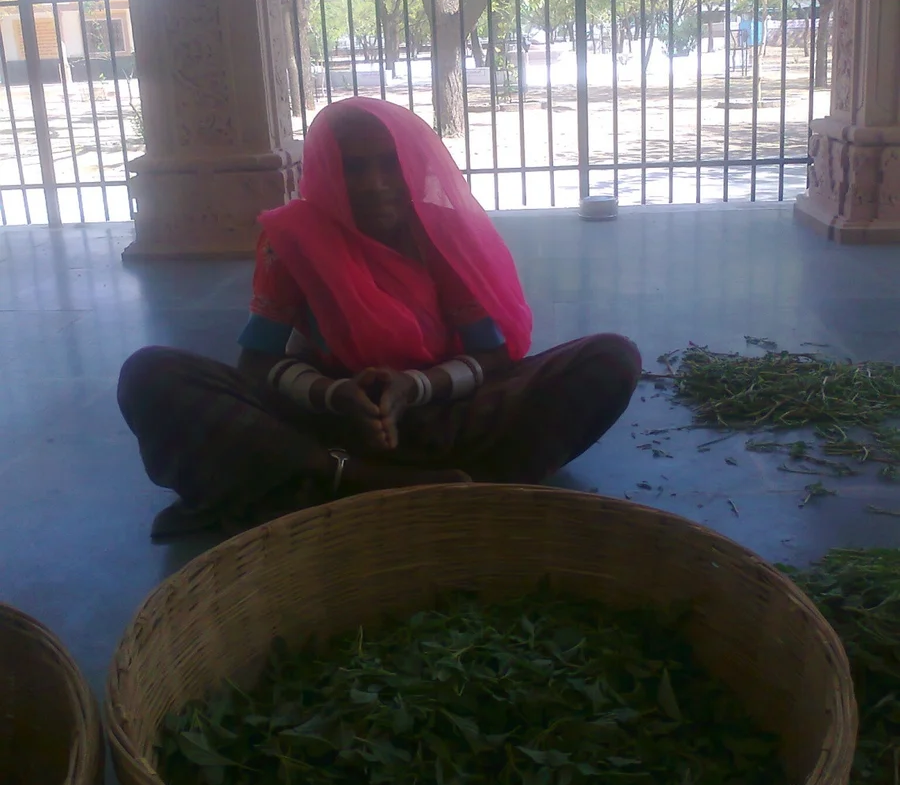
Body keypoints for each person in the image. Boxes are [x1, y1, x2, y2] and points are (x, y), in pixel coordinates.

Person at [118, 98, 641, 540]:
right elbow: (257, 365)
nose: (374, 184)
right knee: (152, 375)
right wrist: (338, 397)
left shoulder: (442, 234)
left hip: (438, 408)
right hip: (325, 421)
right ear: (326, 172)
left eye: (388, 163)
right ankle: (383, 483)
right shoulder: (293, 239)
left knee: (610, 360)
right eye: (353, 167)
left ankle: (317, 487)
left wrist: (411, 388)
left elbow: (492, 355)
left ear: (413, 164)